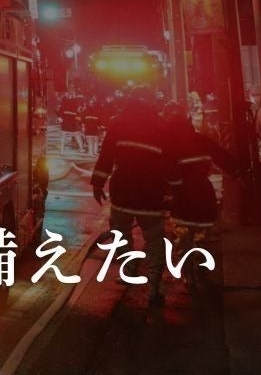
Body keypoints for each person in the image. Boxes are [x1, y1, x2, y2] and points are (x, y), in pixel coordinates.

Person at [91, 89, 175, 306]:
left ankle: (129, 270)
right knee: (154, 239)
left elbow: (106, 156)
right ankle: (154, 285)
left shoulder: (118, 124)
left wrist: (98, 183)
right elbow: (170, 163)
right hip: (151, 194)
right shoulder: (161, 127)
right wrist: (172, 192)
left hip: (123, 192)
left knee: (121, 233)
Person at [163, 101, 238, 290]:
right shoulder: (201, 140)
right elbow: (223, 157)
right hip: (204, 194)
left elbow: (167, 173)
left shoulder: (169, 146)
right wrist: (238, 173)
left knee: (182, 236)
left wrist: (167, 195)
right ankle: (201, 269)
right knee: (203, 235)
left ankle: (188, 274)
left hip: (182, 198)